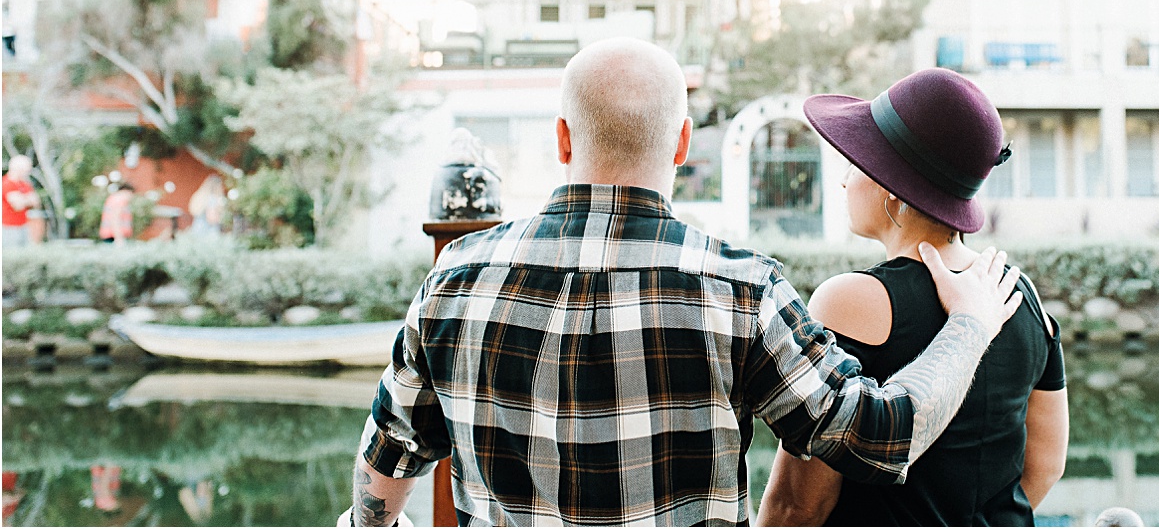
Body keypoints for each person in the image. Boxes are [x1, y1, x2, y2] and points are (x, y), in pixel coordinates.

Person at [347, 38, 1027, 527]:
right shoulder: (743, 291)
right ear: (681, 143)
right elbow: (882, 436)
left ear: (562, 138)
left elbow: (386, 466)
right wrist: (969, 325)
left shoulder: (454, 279)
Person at [757, 68, 1069, 526]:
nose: (845, 180)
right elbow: (1045, 466)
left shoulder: (851, 301)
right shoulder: (1017, 293)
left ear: (891, 187)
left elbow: (798, 505)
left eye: (856, 161)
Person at [2, 155, 38, 249]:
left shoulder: (24, 184)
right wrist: (27, 199)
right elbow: (18, 206)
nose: (27, 172)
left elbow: (36, 202)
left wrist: (23, 199)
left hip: (23, 225)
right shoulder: (6, 183)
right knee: (11, 255)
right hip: (9, 228)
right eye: (26, 169)